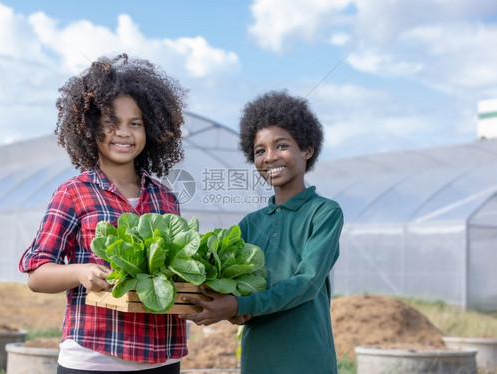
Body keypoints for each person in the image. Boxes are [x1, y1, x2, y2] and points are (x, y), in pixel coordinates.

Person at [19, 53, 188, 374]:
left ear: (150, 130)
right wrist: (80, 273)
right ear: (89, 127)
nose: (123, 133)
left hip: (162, 357)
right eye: (111, 122)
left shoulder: (166, 198)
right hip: (94, 357)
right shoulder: (73, 192)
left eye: (135, 124)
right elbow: (36, 275)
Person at [181, 90, 344, 373]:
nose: (269, 157)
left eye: (281, 146)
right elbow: (232, 284)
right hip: (257, 358)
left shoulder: (324, 213)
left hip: (307, 359)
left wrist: (236, 305)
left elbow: (307, 283)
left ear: (307, 149)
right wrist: (229, 308)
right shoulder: (249, 224)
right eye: (259, 150)